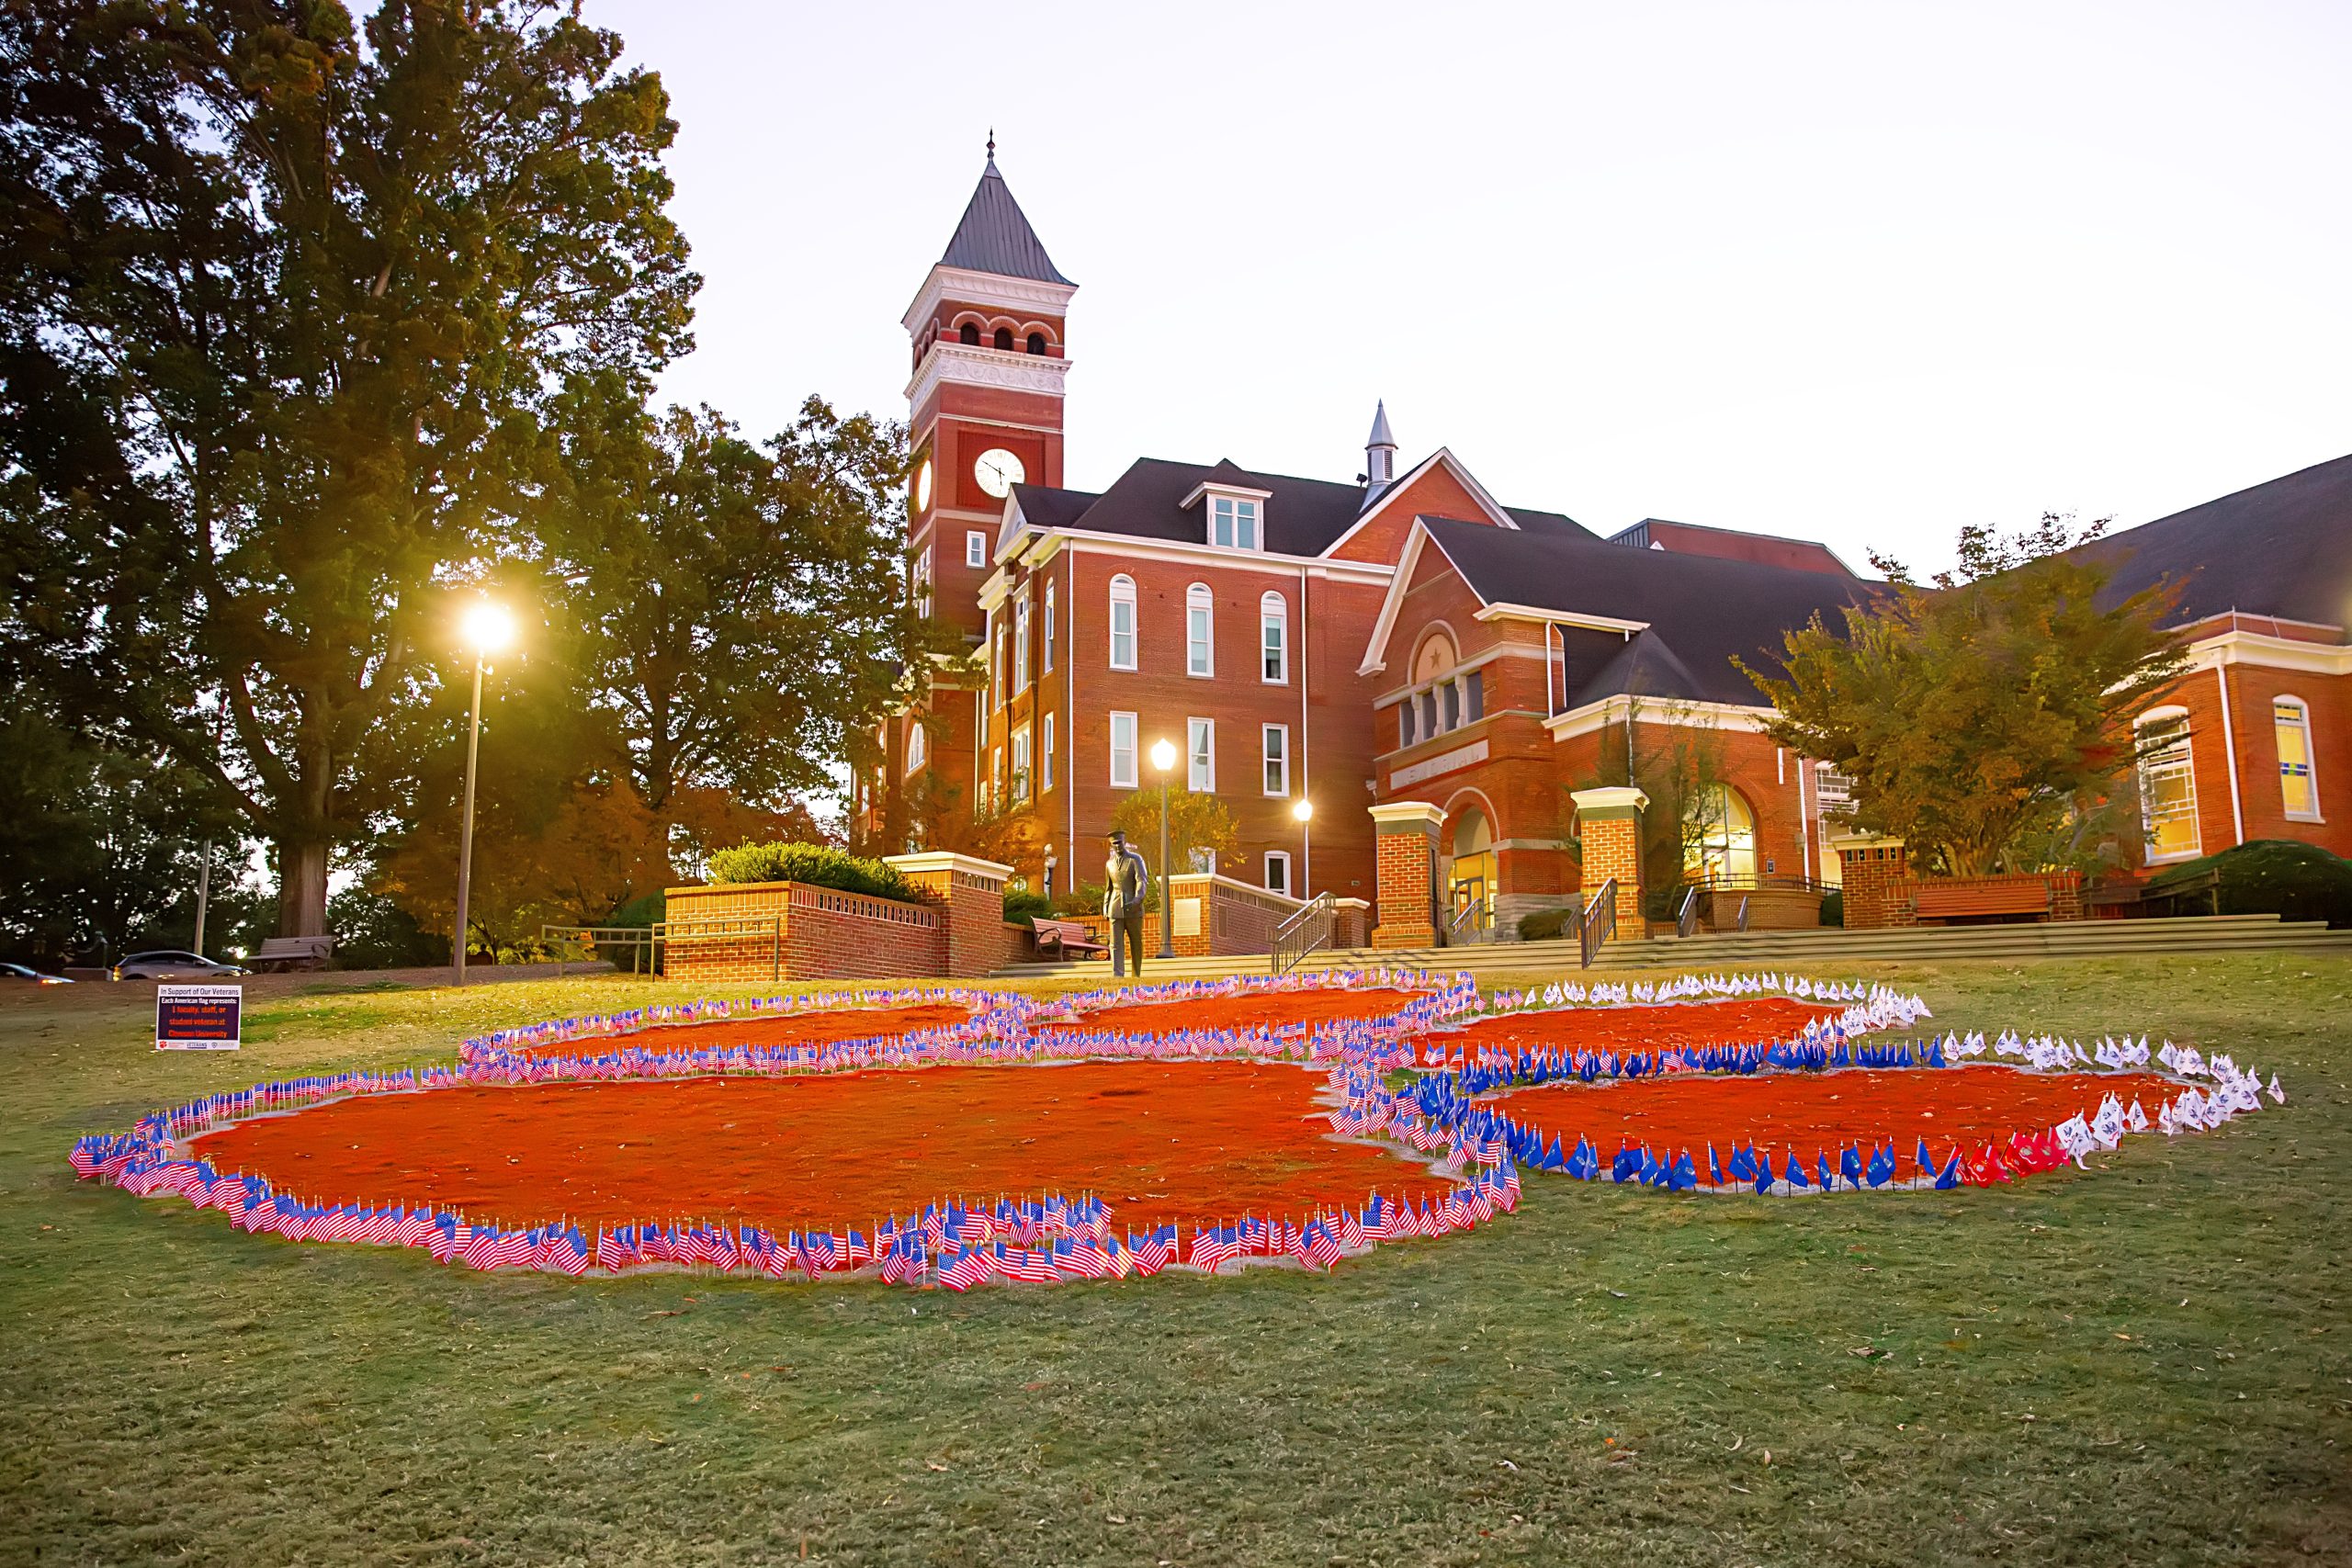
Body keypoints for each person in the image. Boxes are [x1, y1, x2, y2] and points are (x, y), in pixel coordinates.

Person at [1102, 828, 1149, 978]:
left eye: (1119, 843)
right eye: (1114, 844)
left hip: (1133, 907)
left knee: (1136, 942)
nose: (1117, 846)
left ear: (1125, 842)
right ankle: (1118, 975)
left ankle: (1136, 974)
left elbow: (1142, 880)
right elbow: (1108, 888)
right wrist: (1105, 906)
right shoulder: (1109, 864)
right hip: (1114, 908)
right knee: (1115, 944)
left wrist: (1137, 899)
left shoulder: (1135, 859)